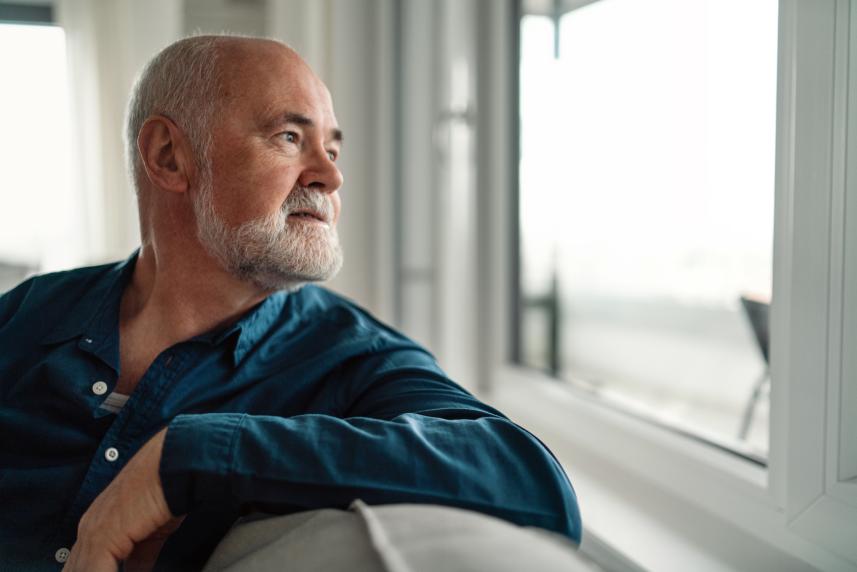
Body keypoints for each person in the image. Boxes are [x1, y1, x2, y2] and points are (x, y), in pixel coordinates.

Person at [0, 36, 581, 571]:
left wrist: (190, 457)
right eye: (290, 137)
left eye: (332, 147)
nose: (331, 175)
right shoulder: (25, 316)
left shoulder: (350, 358)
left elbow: (531, 483)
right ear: (170, 156)